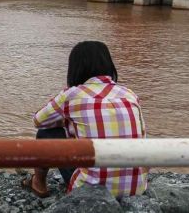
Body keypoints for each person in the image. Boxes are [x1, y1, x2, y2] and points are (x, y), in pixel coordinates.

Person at [22, 41, 147, 199]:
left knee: (46, 132)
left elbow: (38, 121)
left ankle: (38, 183)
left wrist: (65, 121)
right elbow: (142, 137)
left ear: (75, 68)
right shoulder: (129, 94)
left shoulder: (72, 94)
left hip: (89, 192)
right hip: (136, 188)